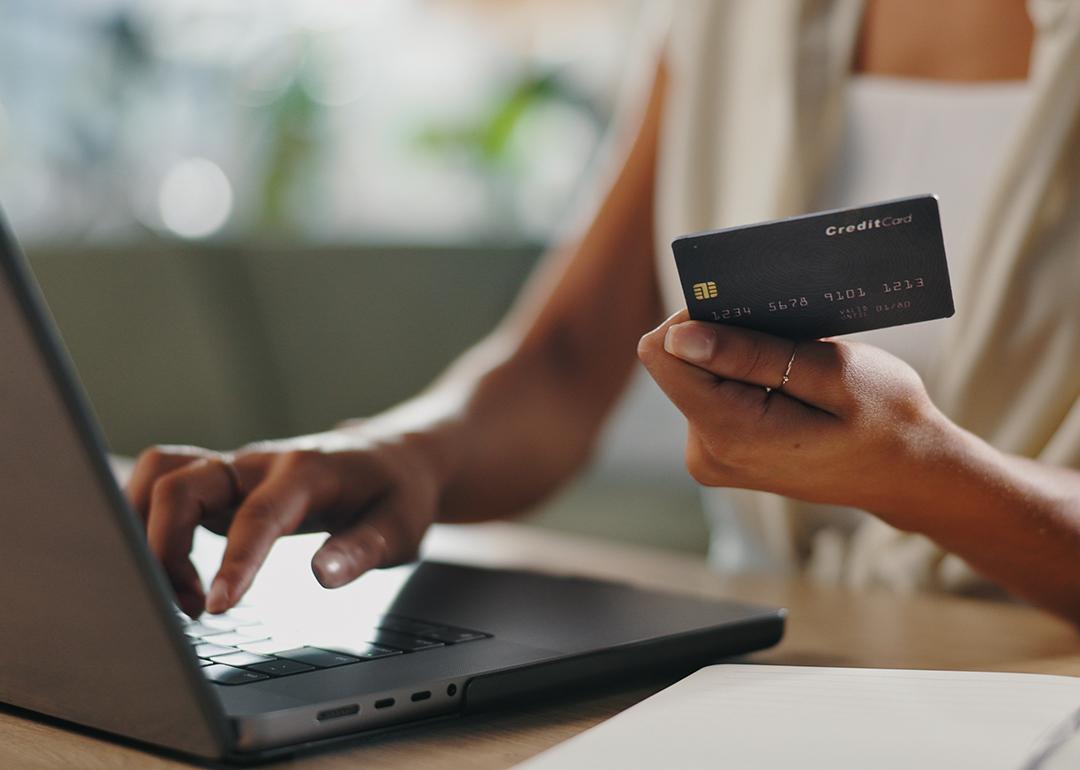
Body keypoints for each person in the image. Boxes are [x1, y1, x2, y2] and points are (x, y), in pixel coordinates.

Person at [126, 0, 1080, 624]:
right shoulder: (725, 18)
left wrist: (925, 475)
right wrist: (402, 454)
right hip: (781, 659)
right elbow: (565, 361)